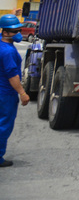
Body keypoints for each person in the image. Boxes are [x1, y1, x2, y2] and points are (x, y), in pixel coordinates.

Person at [1, 14, 29, 168]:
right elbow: (12, 76)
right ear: (5, 32)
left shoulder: (2, 45)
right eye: (14, 31)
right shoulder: (8, 52)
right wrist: (22, 93)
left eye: (19, 29)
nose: (18, 33)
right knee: (4, 125)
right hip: (6, 94)